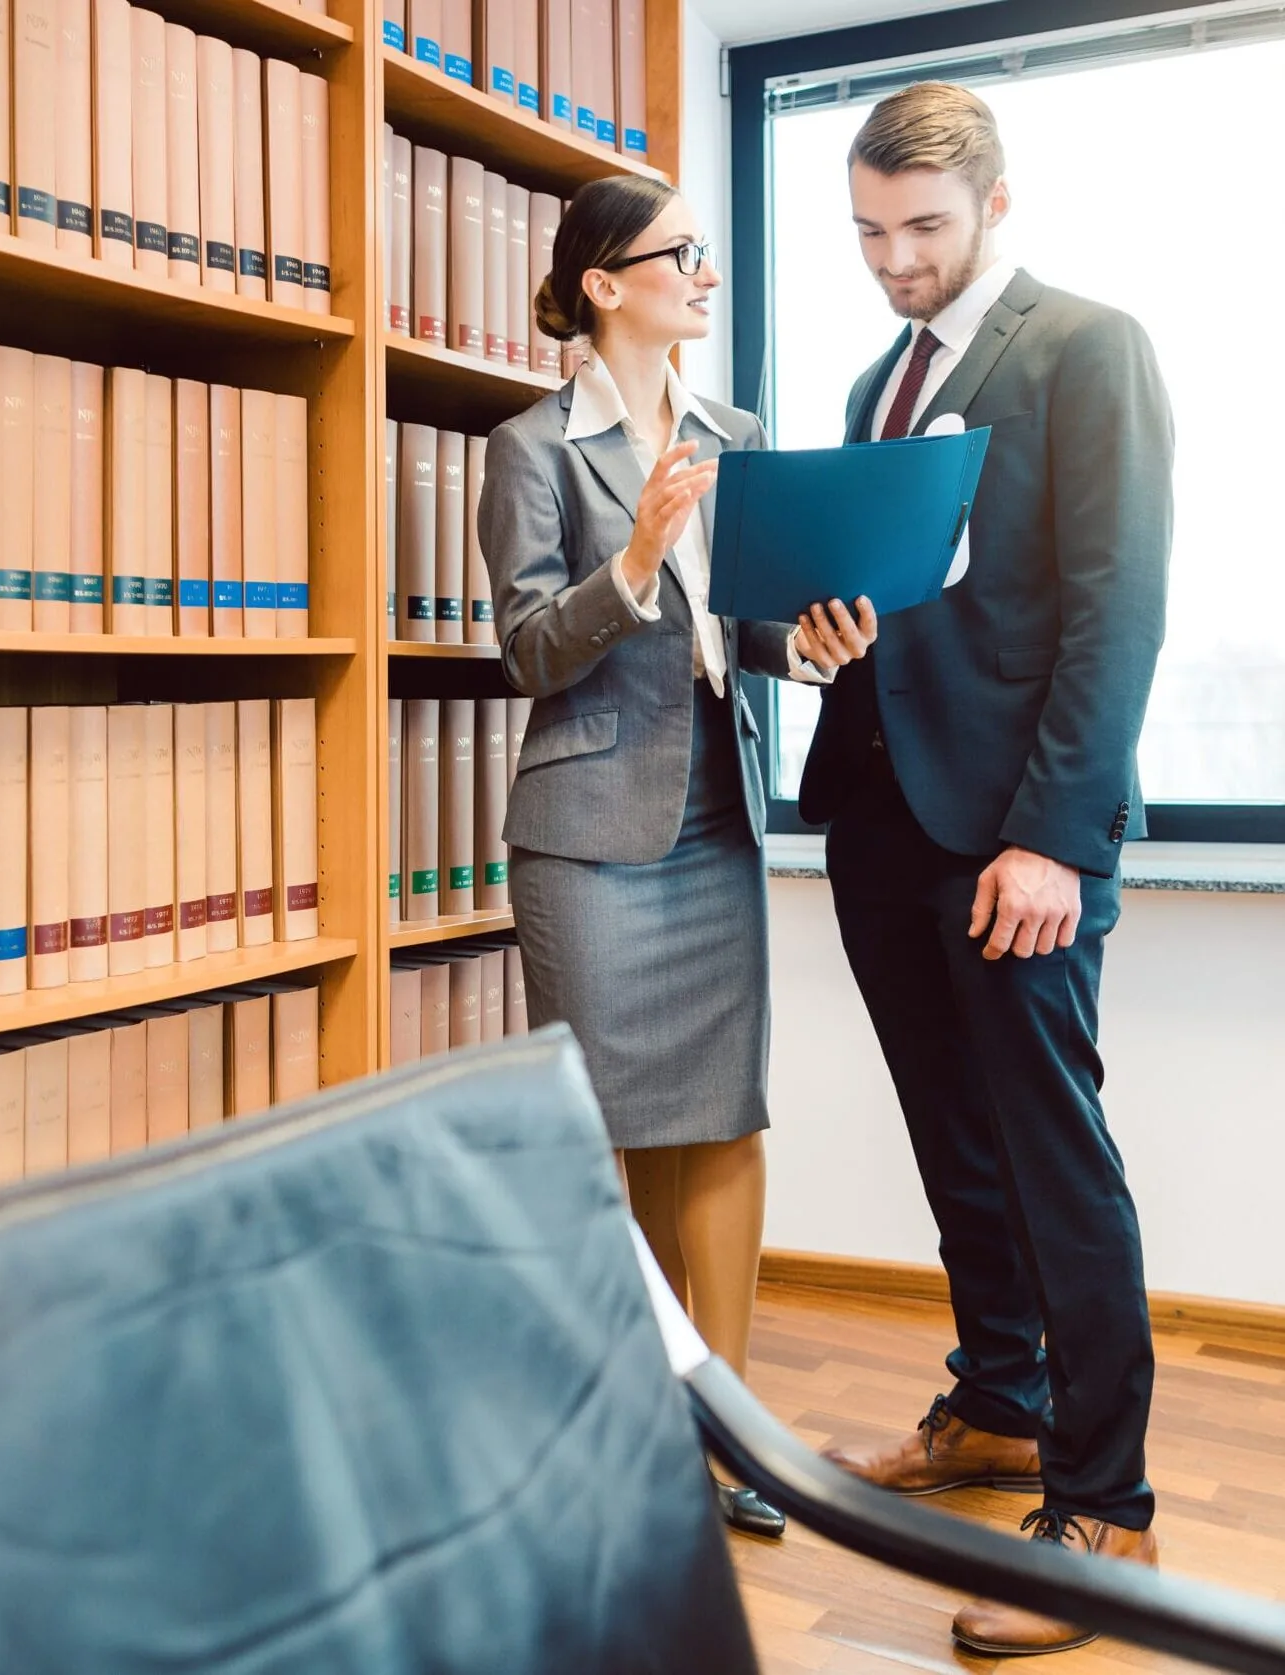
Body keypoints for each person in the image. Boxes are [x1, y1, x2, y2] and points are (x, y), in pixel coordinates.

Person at [801, 82, 1173, 1656]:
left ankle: (1106, 1505)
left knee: (1048, 1155)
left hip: (1016, 832)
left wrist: (1054, 838)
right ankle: (999, 1405)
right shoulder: (872, 381)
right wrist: (820, 635)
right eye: (867, 233)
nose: (894, 261)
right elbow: (895, 606)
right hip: (880, 815)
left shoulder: (1085, 347)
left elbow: (1114, 602)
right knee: (953, 1138)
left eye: (923, 229)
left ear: (995, 206)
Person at [477, 175, 877, 1540]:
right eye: (681, 254)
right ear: (603, 283)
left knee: (721, 1117)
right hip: (587, 834)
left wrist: (808, 648)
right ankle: (642, 1427)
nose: (705, 273)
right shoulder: (530, 449)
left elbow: (745, 626)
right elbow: (527, 651)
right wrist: (637, 555)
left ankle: (737, 1437)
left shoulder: (735, 435)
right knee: (616, 1133)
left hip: (715, 817)